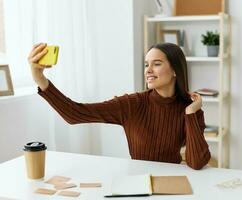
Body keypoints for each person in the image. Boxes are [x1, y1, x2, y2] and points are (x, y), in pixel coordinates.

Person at [28, 42, 211, 170]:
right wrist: (40, 79)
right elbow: (75, 114)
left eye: (156, 64)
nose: (148, 70)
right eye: (146, 64)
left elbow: (196, 162)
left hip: (172, 181)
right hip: (137, 180)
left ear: (174, 71)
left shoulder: (190, 109)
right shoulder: (132, 104)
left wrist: (190, 113)